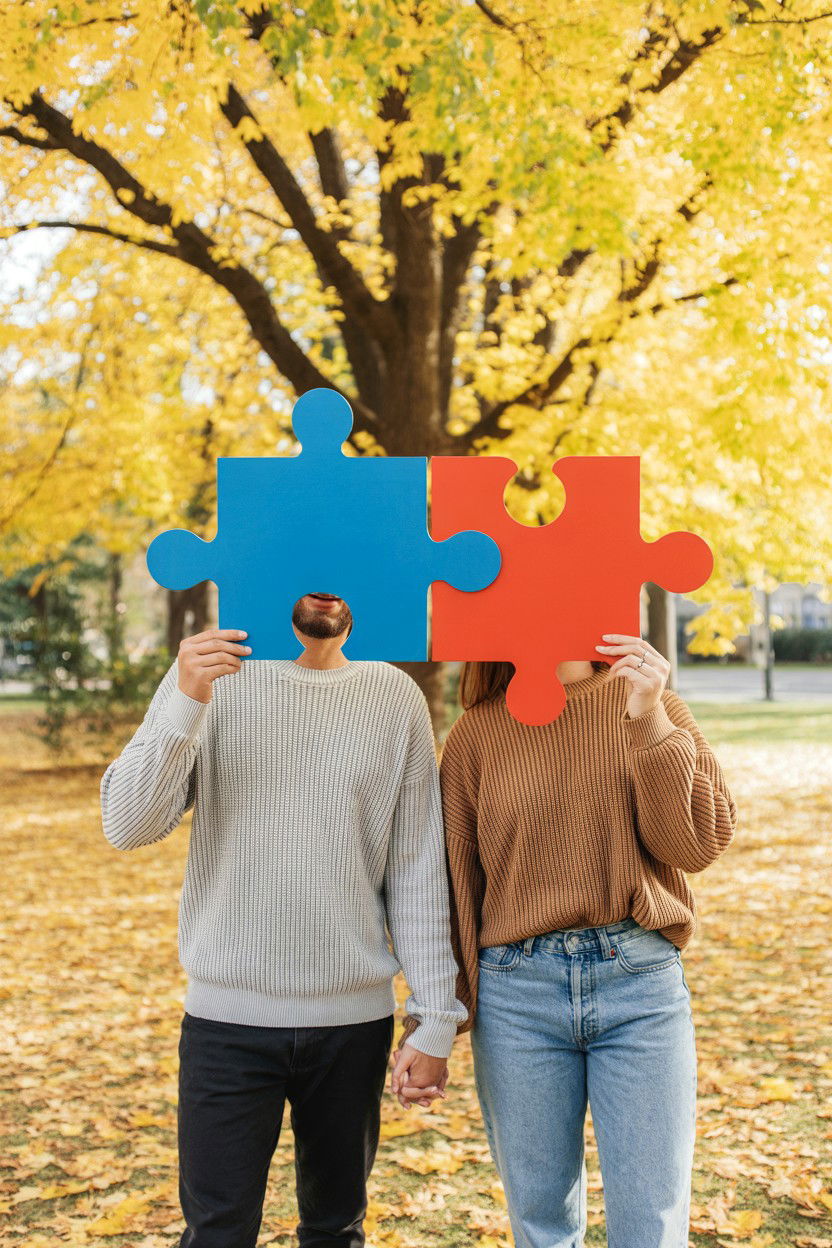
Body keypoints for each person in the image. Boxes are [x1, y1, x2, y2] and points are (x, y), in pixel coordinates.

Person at [100, 592, 466, 1248]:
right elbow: (128, 823)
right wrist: (184, 698)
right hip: (226, 1026)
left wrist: (436, 1016)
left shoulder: (393, 697)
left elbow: (416, 868)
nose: (322, 581)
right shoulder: (210, 678)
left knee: (336, 1230)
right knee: (216, 1233)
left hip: (352, 1029)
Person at [411, 636, 738, 1248]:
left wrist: (652, 715)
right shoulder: (477, 735)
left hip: (637, 983)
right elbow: (454, 889)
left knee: (652, 1226)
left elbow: (696, 845)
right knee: (541, 1227)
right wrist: (435, 1022)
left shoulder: (646, 704)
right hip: (517, 998)